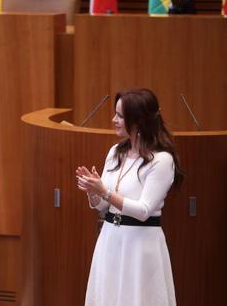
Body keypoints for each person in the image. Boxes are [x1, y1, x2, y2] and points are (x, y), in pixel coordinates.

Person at [76, 88, 183, 306]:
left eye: (120, 115)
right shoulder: (115, 152)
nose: (113, 119)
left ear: (138, 120)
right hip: (110, 239)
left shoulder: (161, 160)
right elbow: (104, 207)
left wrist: (104, 190)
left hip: (139, 244)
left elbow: (144, 211)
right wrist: (93, 191)